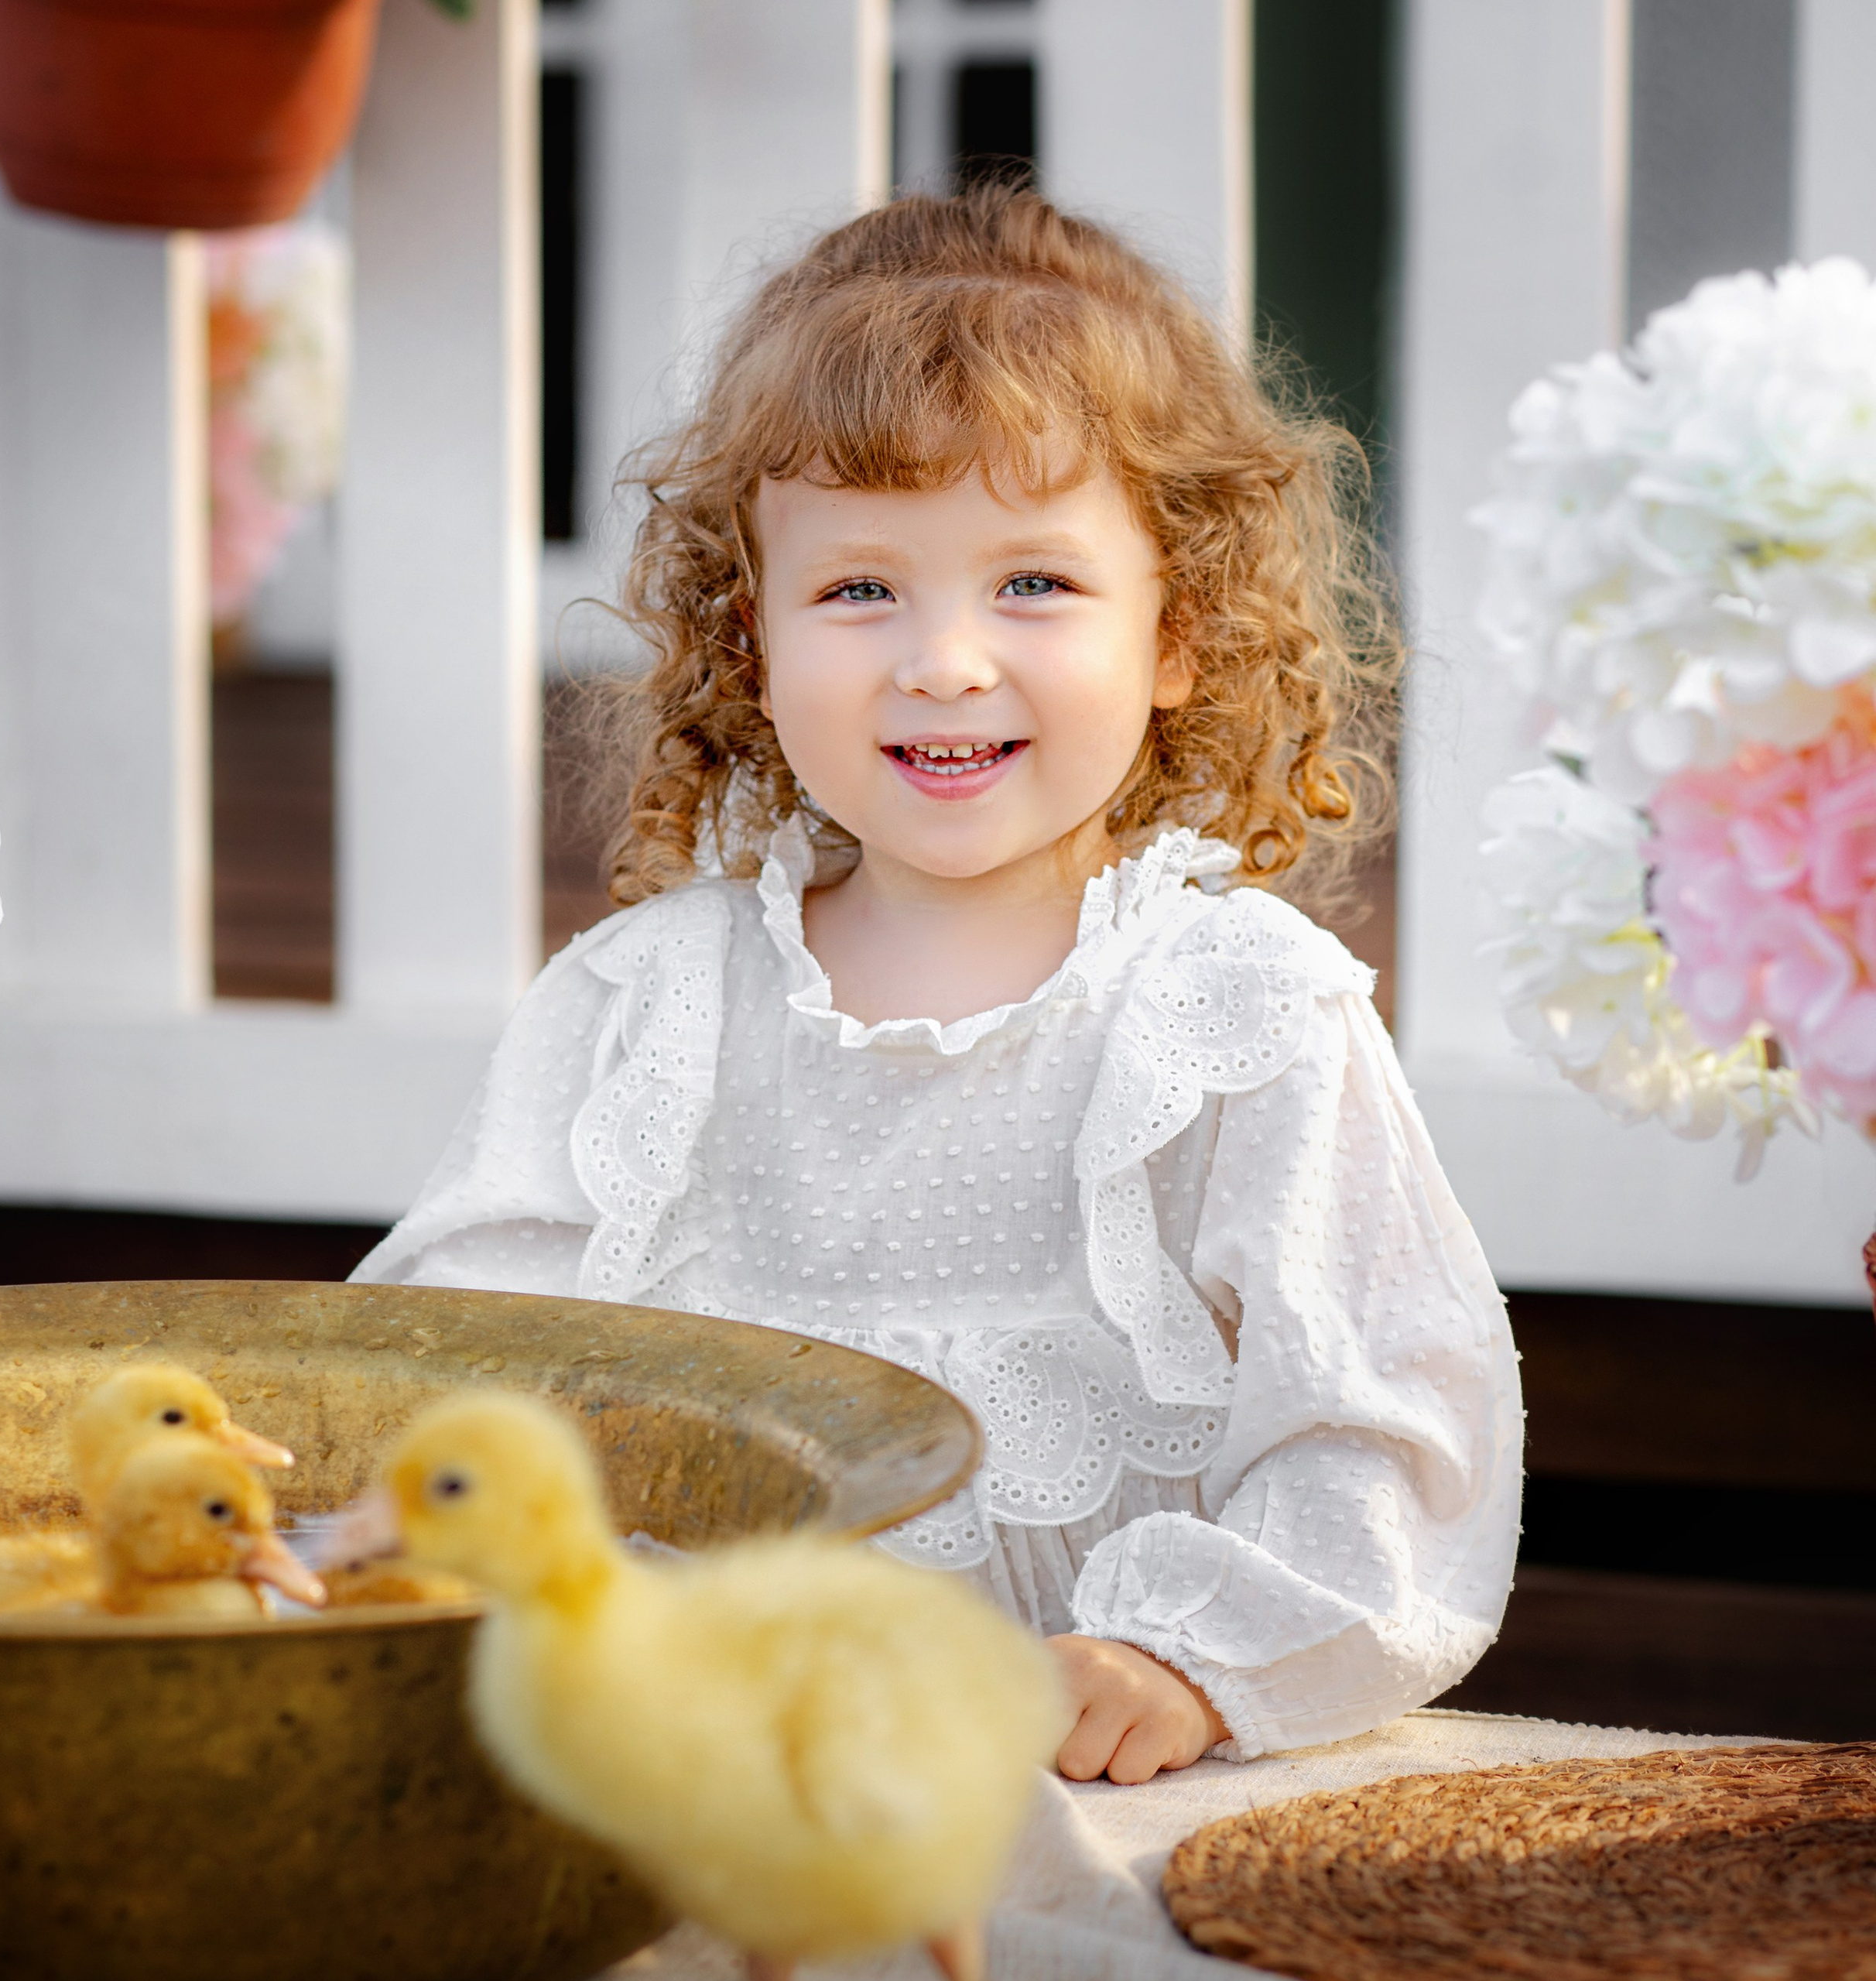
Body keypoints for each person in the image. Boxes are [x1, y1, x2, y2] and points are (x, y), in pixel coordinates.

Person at [354, 188, 1521, 1787]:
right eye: (857, 589)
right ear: (747, 635)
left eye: (1032, 582)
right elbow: (447, 1371)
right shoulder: (643, 1006)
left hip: (1078, 1777)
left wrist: (1187, 1657)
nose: (945, 659)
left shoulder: (1233, 1015)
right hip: (689, 1765)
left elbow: (1382, 1422)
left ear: (1176, 633)